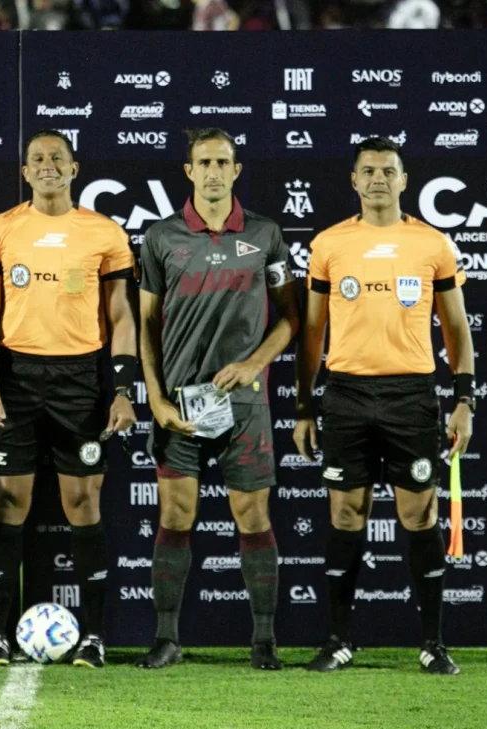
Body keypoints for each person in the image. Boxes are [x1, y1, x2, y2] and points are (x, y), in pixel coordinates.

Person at [294, 137, 475, 675]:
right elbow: (311, 332)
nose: (378, 179)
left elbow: (457, 327)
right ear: (354, 181)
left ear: (403, 180)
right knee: (345, 513)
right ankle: (338, 640)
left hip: (411, 395)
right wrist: (304, 406)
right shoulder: (328, 244)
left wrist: (464, 399)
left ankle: (433, 643)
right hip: (347, 395)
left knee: (419, 514)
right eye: (368, 171)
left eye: (388, 171)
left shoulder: (433, 244)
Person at [0, 129, 137, 669]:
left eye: (57, 158)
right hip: (15, 378)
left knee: (83, 502)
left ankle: (95, 636)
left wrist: (123, 390)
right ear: (25, 172)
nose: (48, 165)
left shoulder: (105, 232)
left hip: (81, 381)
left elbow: (121, 316)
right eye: (38, 159)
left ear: (74, 168)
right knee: (8, 501)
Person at [136, 127, 299, 671]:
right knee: (175, 514)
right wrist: (156, 399)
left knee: (252, 516)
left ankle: (264, 641)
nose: (212, 171)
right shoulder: (161, 237)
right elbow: (145, 325)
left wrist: (254, 364)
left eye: (222, 162)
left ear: (236, 170)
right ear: (189, 171)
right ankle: (166, 638)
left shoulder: (266, 234)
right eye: (203, 162)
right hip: (180, 405)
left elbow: (290, 319)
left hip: (245, 405)